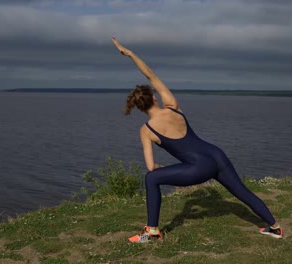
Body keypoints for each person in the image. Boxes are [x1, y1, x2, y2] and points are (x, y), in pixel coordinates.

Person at [112, 37, 283, 243]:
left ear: (139, 108)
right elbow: (151, 75)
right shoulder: (172, 105)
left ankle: (152, 232)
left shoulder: (146, 130)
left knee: (151, 179)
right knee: (242, 192)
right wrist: (130, 54)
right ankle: (275, 227)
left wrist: (159, 166)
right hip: (216, 155)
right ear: (154, 97)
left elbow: (151, 167)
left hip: (199, 168)